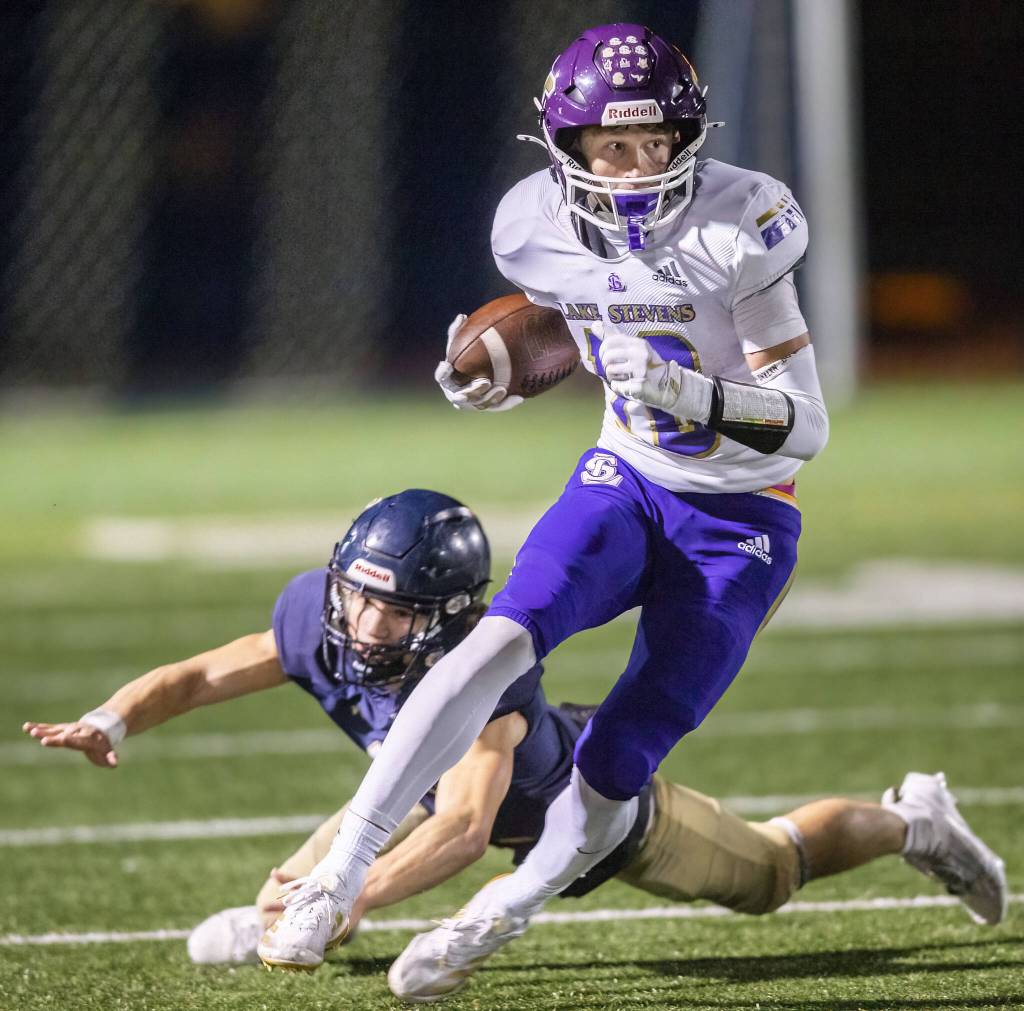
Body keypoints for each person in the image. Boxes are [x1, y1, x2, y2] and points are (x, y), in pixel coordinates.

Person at [255, 22, 1006, 999]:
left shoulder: (743, 225)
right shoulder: (533, 224)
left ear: (690, 137)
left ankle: (507, 908)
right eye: (614, 146)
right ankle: (338, 872)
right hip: (626, 480)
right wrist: (496, 369)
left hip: (739, 516)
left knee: (618, 759)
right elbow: (578, 311)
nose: (639, 168)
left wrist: (687, 395)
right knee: (492, 646)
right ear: (567, 146)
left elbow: (808, 427)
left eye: (658, 144)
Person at [20, 495, 1006, 979]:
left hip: (590, 810)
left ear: (447, 617)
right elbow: (196, 675)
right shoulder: (316, 618)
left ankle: (910, 822)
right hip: (415, 794)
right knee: (303, 881)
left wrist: (355, 892)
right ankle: (282, 906)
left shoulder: (488, 680)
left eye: (398, 613)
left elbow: (462, 827)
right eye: (359, 599)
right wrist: (108, 719)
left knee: (773, 872)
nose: (367, 627)